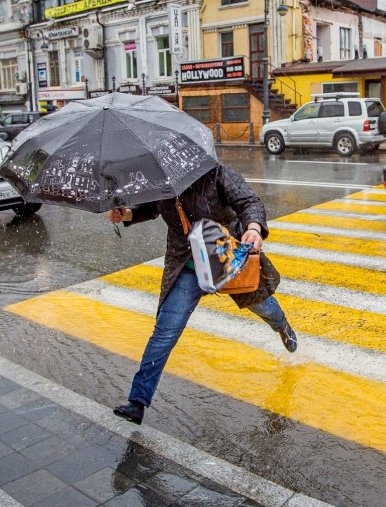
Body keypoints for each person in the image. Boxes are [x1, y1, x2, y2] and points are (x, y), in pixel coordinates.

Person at [110, 163, 297, 425]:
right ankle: (137, 402)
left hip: (226, 258)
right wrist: (127, 214)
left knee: (262, 305)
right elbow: (150, 209)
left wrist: (253, 228)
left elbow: (248, 201)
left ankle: (283, 326)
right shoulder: (160, 183)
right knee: (165, 331)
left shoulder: (216, 173)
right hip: (186, 268)